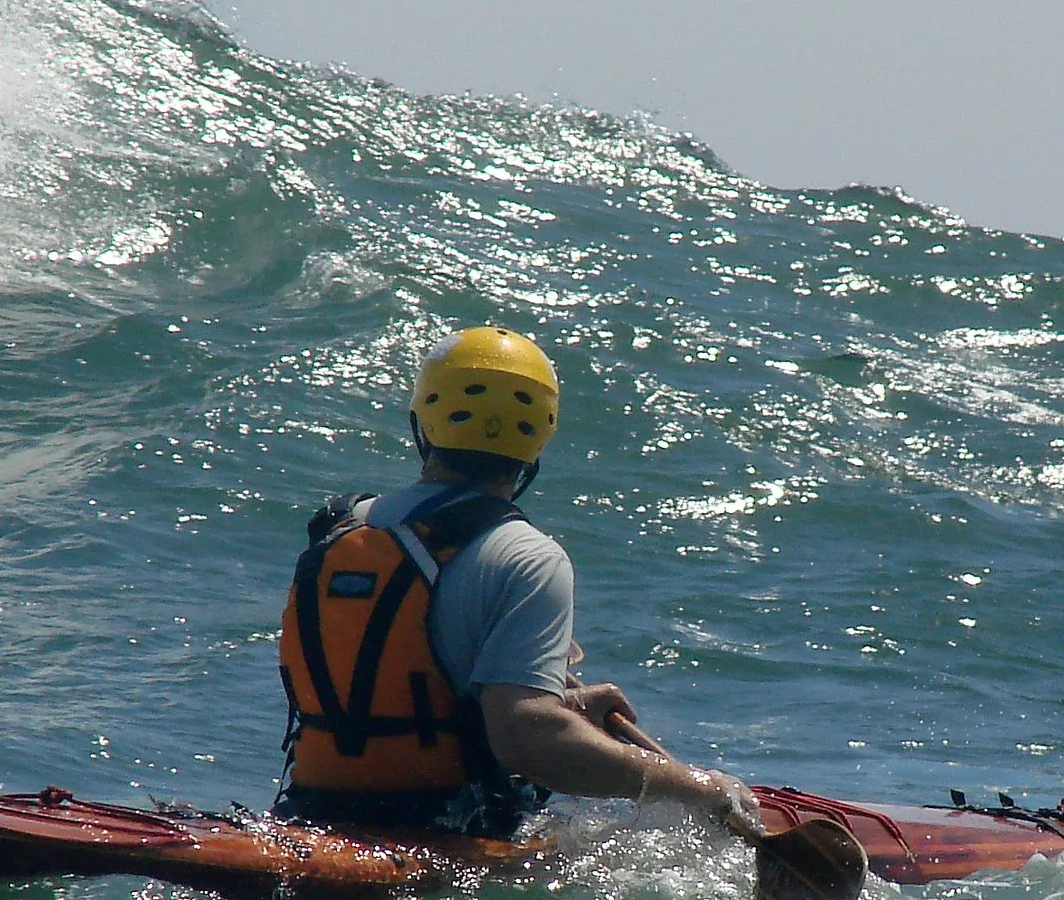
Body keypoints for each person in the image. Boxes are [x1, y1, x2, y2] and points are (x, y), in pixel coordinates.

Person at [275, 325, 762, 839]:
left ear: (423, 421)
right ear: (540, 437)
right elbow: (528, 739)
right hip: (446, 837)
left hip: (309, 814)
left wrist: (566, 705)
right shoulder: (527, 557)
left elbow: (403, 684)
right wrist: (689, 785)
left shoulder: (341, 529)